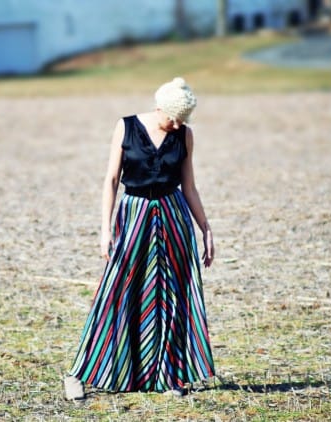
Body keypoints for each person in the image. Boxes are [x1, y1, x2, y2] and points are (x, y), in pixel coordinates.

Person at [64, 77, 215, 400]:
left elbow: (188, 186)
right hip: (133, 215)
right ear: (158, 106)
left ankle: (169, 376)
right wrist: (105, 229)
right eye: (172, 117)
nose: (176, 124)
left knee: (172, 294)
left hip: (173, 218)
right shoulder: (127, 127)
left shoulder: (185, 136)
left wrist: (206, 228)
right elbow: (112, 180)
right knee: (114, 291)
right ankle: (78, 373)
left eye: (182, 119)